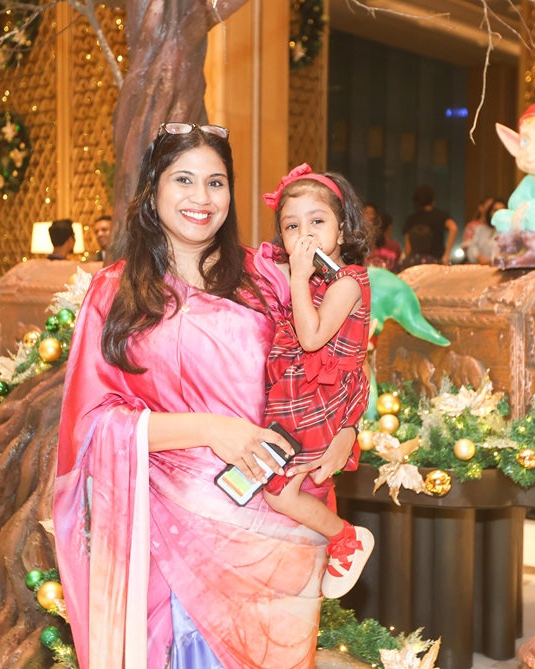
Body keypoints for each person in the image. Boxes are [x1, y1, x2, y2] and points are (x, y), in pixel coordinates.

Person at [53, 122, 357, 668]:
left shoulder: (268, 279)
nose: (202, 197)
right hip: (167, 531)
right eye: (183, 180)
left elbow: (340, 355)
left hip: (273, 524)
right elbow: (90, 424)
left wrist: (350, 428)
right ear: (153, 191)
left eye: (216, 182)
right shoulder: (115, 293)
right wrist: (212, 430)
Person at [260, 163, 374, 599]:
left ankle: (347, 539)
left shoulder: (349, 281)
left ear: (342, 230)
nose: (304, 235)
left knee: (280, 492)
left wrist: (298, 277)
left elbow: (311, 338)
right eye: (292, 226)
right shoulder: (311, 282)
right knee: (279, 486)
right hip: (299, 396)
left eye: (317, 222)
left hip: (321, 399)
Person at [403, 184, 457, 264]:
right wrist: (447, 254)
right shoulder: (441, 215)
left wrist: (408, 260)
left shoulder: (412, 219)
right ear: (432, 199)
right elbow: (453, 228)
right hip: (437, 260)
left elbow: (408, 248)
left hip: (417, 263)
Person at [463, 198, 505, 265]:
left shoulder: (509, 231)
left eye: (501, 210)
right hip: (480, 266)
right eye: (495, 210)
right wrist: (479, 257)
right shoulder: (481, 229)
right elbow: (472, 247)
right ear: (490, 212)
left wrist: (490, 261)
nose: (498, 213)